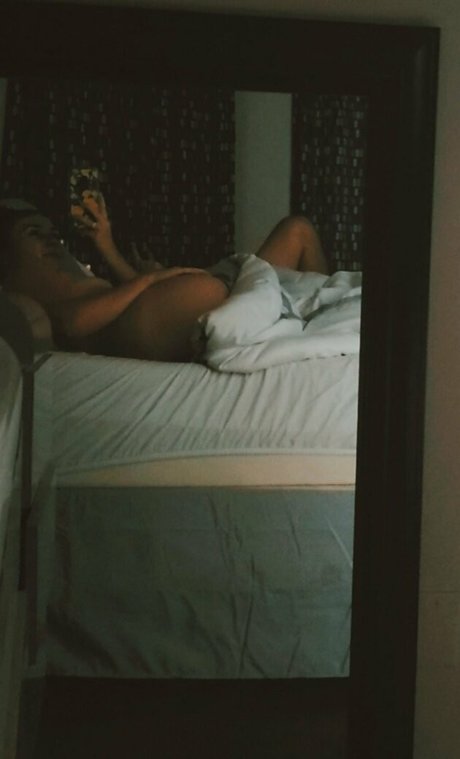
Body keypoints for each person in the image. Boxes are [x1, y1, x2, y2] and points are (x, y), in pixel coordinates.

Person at [0, 197, 328, 362]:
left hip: (222, 290)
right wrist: (151, 279)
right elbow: (72, 324)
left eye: (53, 234)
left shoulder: (76, 276)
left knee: (297, 230)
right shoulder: (24, 299)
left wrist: (108, 246)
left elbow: (131, 299)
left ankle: (316, 306)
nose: (51, 240)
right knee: (296, 240)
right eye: (33, 232)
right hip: (215, 307)